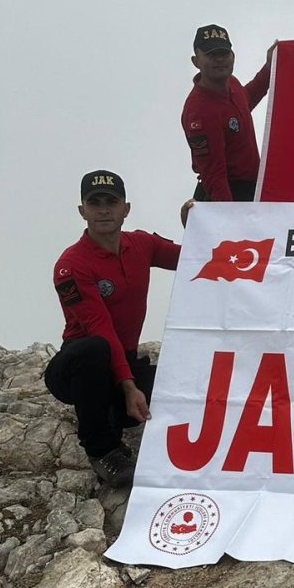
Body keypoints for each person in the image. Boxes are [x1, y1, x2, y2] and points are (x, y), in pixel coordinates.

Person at [44, 172, 180, 486]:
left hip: (124, 363)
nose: (104, 209)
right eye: (95, 203)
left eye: (111, 201)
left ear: (125, 208)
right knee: (95, 348)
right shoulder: (71, 265)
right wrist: (130, 386)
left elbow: (195, 256)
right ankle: (103, 452)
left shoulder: (142, 244)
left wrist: (200, 218)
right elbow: (99, 328)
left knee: (176, 380)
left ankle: (113, 413)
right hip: (80, 368)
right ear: (83, 211)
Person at [181, 23, 276, 201]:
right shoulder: (199, 112)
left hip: (250, 188)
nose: (219, 59)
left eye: (223, 53)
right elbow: (214, 175)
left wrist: (269, 67)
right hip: (227, 193)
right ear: (196, 61)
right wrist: (229, 217)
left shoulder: (231, 83)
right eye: (211, 55)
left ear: (232, 55)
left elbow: (245, 101)